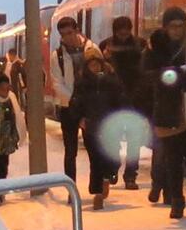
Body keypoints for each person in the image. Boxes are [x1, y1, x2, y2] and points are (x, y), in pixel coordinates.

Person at [145, 6, 186, 222]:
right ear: (165, 27)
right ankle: (177, 199)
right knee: (173, 159)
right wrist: (173, 74)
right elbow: (147, 76)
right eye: (173, 26)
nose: (178, 30)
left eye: (181, 26)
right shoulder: (155, 48)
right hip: (167, 110)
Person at [45, 17, 103, 186]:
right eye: (63, 35)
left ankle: (96, 187)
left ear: (77, 30)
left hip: (90, 107)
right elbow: (57, 83)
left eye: (70, 33)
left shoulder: (92, 49)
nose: (67, 37)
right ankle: (72, 189)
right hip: (68, 107)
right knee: (70, 152)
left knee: (93, 149)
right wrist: (74, 101)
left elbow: (101, 75)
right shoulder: (58, 56)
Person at [97, 15, 149, 190]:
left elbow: (145, 71)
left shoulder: (140, 44)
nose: (124, 33)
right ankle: (114, 167)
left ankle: (130, 175)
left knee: (134, 139)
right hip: (115, 99)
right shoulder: (105, 46)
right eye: (121, 30)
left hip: (136, 98)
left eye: (127, 29)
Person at [73, 53, 127, 207]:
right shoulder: (83, 83)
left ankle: (108, 176)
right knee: (95, 159)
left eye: (97, 64)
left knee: (112, 155)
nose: (95, 68)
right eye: (91, 65)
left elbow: (120, 100)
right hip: (91, 125)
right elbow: (76, 102)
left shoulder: (111, 81)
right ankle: (97, 192)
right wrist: (80, 118)